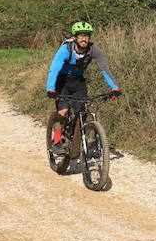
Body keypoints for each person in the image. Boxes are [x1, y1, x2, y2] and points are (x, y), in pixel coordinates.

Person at [46, 21, 121, 151]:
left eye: (86, 36)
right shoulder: (66, 49)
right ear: (75, 38)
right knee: (62, 111)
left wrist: (115, 87)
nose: (84, 39)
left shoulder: (93, 49)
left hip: (78, 82)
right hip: (62, 81)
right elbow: (54, 69)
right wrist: (50, 88)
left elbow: (104, 68)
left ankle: (75, 139)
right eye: (80, 36)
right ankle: (57, 141)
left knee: (82, 113)